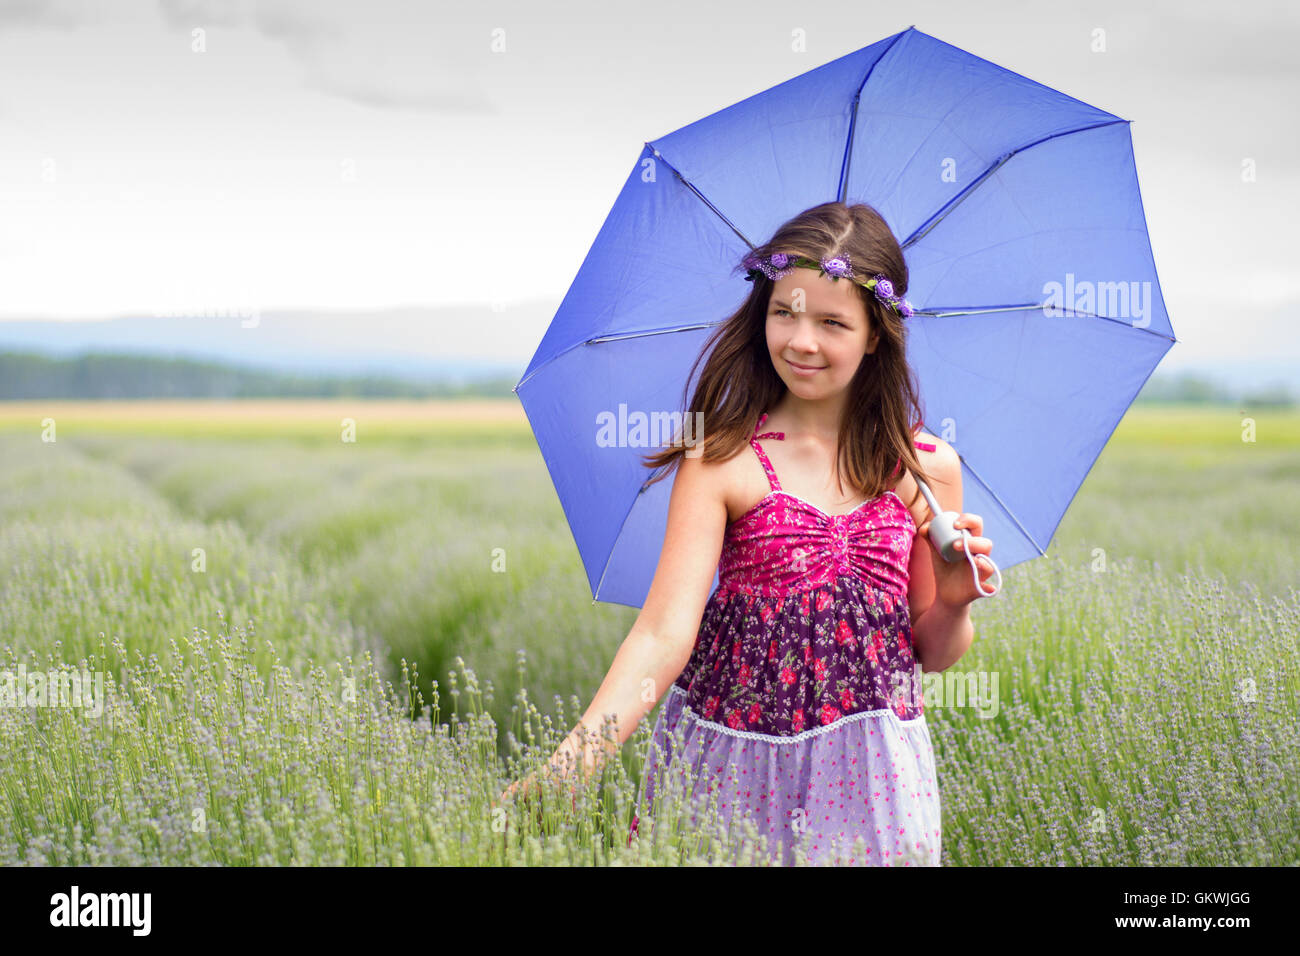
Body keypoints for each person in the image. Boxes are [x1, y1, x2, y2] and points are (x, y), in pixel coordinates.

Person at [500, 201, 998, 865]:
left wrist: (957, 601)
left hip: (874, 773)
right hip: (733, 764)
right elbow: (662, 633)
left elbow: (931, 652)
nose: (801, 340)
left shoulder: (925, 468)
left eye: (832, 322)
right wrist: (578, 759)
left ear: (876, 334)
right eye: (784, 311)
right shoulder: (724, 457)